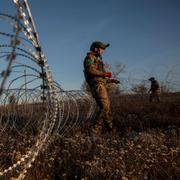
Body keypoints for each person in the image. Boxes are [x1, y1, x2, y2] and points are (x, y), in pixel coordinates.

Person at [83, 41, 120, 134]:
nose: (103, 51)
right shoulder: (89, 58)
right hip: (97, 86)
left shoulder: (98, 60)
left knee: (107, 109)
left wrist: (111, 80)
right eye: (102, 49)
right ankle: (94, 129)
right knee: (105, 107)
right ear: (96, 49)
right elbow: (90, 70)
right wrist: (105, 73)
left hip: (100, 85)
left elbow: (100, 78)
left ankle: (111, 130)